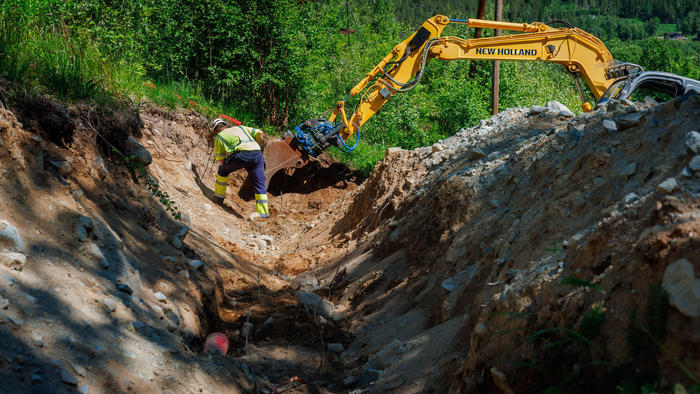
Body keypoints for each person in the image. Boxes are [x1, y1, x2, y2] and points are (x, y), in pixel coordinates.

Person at [211, 118, 269, 219]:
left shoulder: (219, 137)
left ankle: (218, 200)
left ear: (216, 131)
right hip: (257, 154)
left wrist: (230, 159)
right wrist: (258, 146)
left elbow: (221, 160)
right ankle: (263, 214)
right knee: (260, 183)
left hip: (242, 154)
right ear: (225, 125)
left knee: (222, 171)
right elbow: (260, 132)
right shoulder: (240, 128)